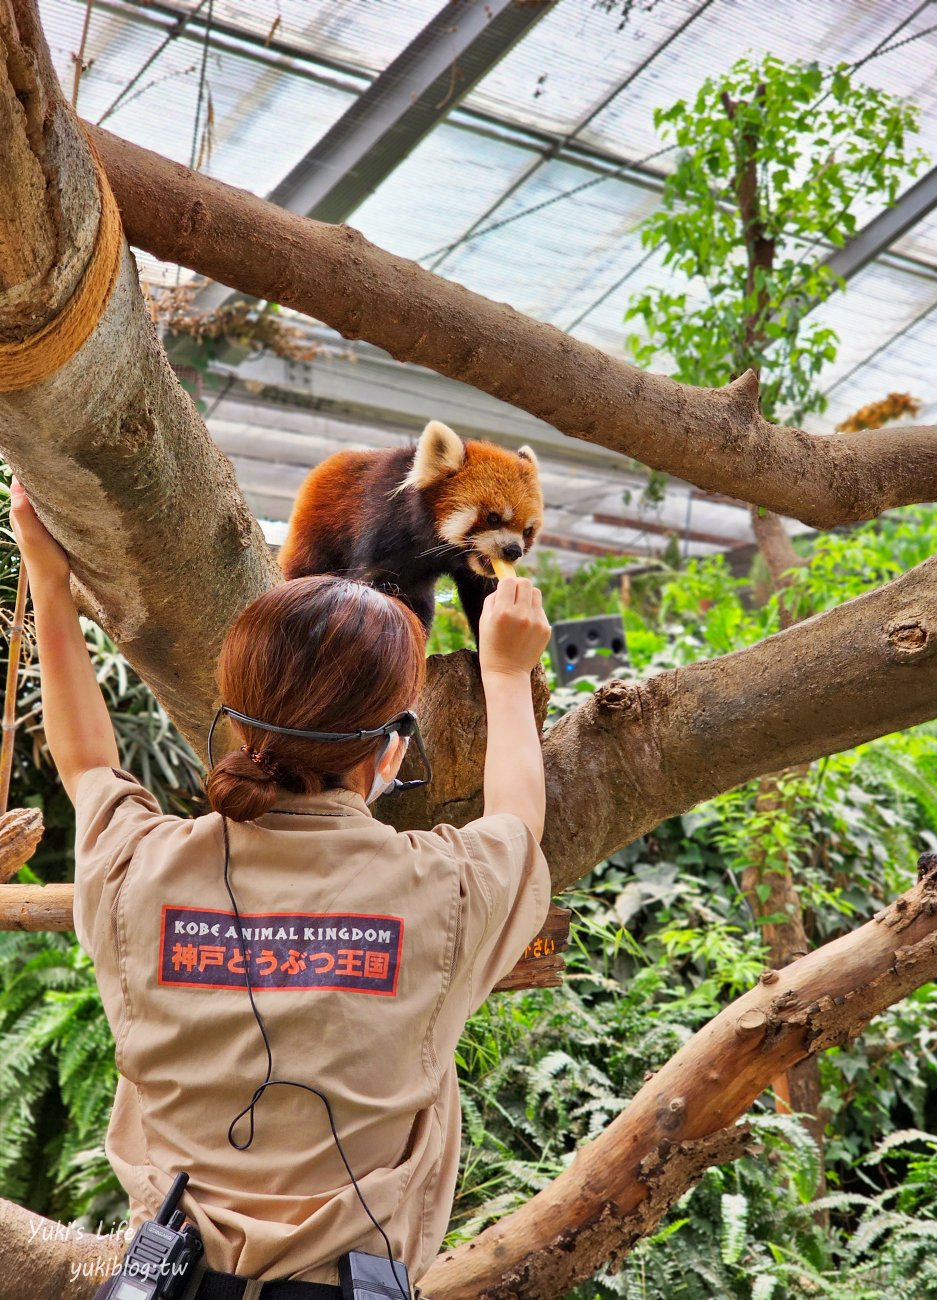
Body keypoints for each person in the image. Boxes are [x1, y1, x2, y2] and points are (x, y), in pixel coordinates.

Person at [9, 478, 552, 1300]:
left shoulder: (138, 867)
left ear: (238, 720)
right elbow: (517, 819)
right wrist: (506, 676)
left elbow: (87, 764)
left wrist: (48, 581)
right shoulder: (446, 889)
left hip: (165, 1279)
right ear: (389, 750)